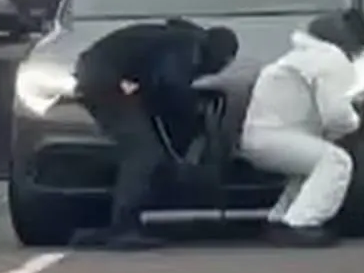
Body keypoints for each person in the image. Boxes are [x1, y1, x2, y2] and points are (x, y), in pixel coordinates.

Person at [72, 18, 239, 250]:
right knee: (143, 153)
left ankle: (117, 225)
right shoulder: (188, 46)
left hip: (98, 73)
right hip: (102, 80)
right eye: (221, 64)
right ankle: (124, 227)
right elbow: (170, 85)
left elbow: (154, 82)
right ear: (221, 55)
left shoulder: (177, 39)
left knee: (143, 148)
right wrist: (193, 111)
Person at [240, 10, 364, 247]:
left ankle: (280, 219)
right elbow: (335, 116)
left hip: (260, 136)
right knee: (336, 162)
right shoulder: (331, 59)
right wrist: (356, 119)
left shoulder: (298, 57)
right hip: (276, 137)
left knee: (310, 169)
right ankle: (301, 224)